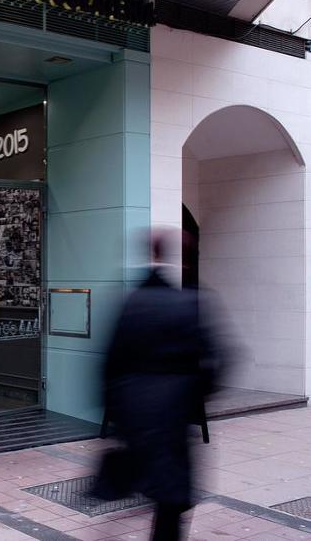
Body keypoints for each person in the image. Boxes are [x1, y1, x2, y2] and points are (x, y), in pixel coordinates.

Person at [97, 230, 228, 541]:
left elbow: (109, 364)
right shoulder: (189, 302)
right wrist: (196, 395)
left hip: (136, 412)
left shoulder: (132, 302)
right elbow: (219, 358)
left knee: (152, 479)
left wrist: (114, 410)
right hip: (173, 414)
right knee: (171, 493)